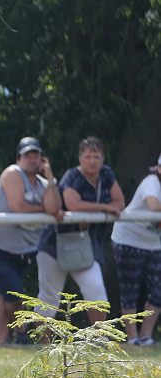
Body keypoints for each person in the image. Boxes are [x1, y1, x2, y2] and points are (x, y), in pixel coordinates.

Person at [0, 137, 62, 345]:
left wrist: (50, 177)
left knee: (5, 295)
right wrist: (46, 210)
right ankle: (22, 333)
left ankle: (1, 342)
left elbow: (56, 206)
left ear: (43, 159)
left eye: (36, 156)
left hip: (23, 250)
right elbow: (19, 208)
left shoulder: (44, 184)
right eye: (27, 156)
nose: (32, 160)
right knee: (14, 294)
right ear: (19, 158)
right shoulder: (12, 173)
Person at [36, 137, 125, 325]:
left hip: (86, 246)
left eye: (96, 156)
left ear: (103, 158)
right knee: (49, 298)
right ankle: (41, 344)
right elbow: (73, 205)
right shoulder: (72, 176)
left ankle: (99, 340)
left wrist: (94, 210)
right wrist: (104, 207)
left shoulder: (106, 174)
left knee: (97, 294)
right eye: (87, 156)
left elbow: (119, 203)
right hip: (54, 244)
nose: (92, 161)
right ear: (80, 158)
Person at [111, 152, 161, 345]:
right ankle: (132, 339)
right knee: (130, 289)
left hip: (153, 243)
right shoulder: (152, 182)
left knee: (159, 290)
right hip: (128, 240)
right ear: (158, 168)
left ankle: (145, 336)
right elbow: (153, 205)